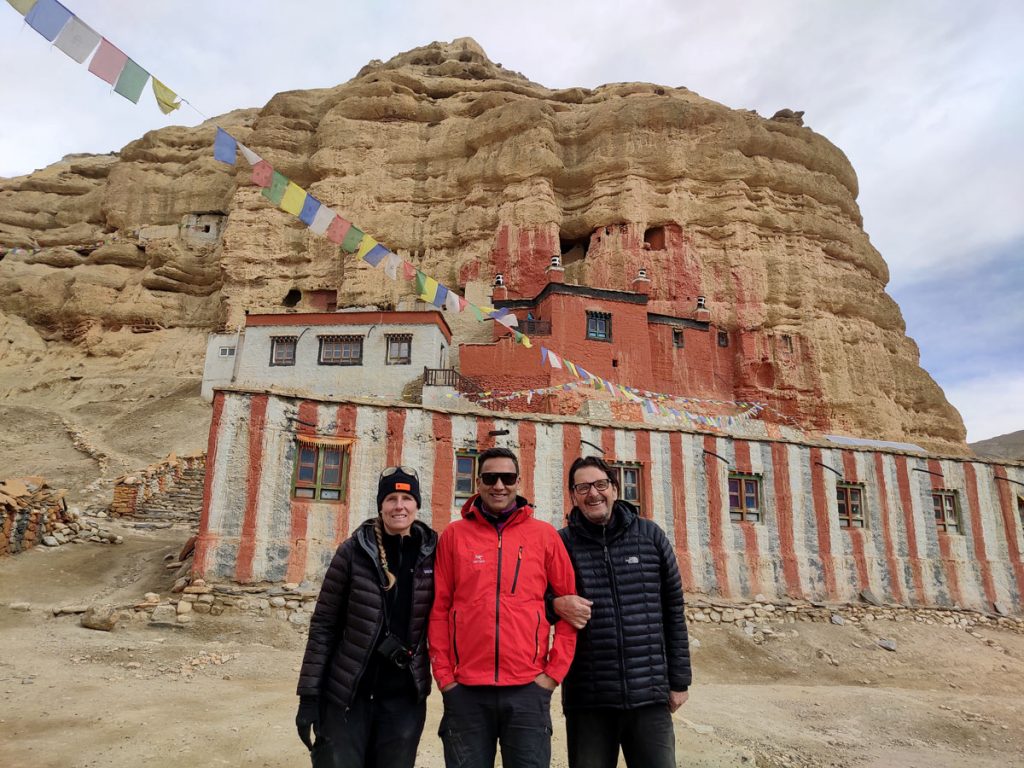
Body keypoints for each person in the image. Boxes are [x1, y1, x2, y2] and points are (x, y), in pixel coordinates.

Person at [428, 446, 578, 768]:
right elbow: (439, 610)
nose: (499, 485)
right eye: (490, 477)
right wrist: (445, 678)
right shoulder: (454, 536)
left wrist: (552, 676)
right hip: (465, 691)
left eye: (507, 477)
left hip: (527, 690)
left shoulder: (545, 536)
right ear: (478, 483)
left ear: (518, 482)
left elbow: (570, 610)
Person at [552, 455, 691, 768]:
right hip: (588, 699)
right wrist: (554, 604)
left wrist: (679, 682)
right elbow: (533, 600)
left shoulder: (650, 536)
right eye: (583, 487)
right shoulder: (561, 545)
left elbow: (673, 609)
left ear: (614, 489)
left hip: (649, 695)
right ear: (573, 495)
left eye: (601, 484)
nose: (593, 494)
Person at [295, 466, 438, 768]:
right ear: (380, 505)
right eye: (391, 499)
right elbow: (323, 625)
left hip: (403, 699)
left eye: (406, 498)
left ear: (417, 504)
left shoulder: (433, 554)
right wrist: (309, 696)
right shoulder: (353, 552)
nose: (399, 506)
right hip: (349, 695)